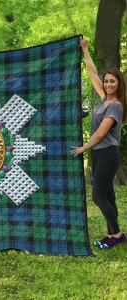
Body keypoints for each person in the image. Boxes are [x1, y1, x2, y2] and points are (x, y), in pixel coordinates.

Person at [71, 38, 126, 249]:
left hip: (108, 154)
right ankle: (112, 234)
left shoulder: (116, 106)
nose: (108, 84)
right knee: (108, 195)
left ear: (119, 84)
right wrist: (85, 50)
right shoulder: (105, 99)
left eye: (113, 81)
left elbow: (101, 133)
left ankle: (117, 234)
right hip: (98, 154)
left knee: (97, 195)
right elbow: (93, 74)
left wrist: (84, 147)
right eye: (107, 81)